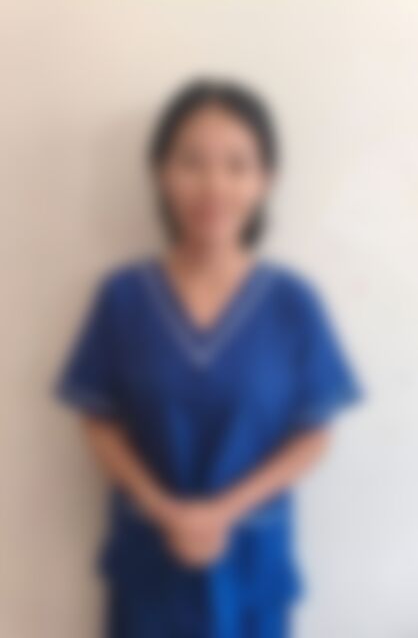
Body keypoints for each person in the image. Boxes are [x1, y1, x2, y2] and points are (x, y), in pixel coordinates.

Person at [57, 80, 361, 638]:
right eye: (192, 162)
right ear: (160, 173)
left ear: (265, 180)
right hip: (150, 558)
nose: (214, 184)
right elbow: (98, 421)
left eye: (237, 165)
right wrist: (165, 510)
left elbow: (314, 433)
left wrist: (221, 512)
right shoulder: (124, 297)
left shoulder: (292, 302)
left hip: (251, 560)